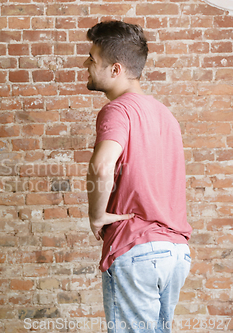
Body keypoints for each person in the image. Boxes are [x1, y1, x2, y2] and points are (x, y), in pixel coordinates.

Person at [83, 21, 193, 333]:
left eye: (92, 59)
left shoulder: (118, 110)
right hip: (175, 252)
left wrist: (97, 216)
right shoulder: (165, 115)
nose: (85, 64)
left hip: (138, 248)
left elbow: (102, 166)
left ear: (115, 69)